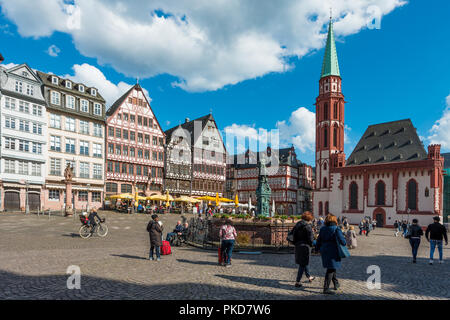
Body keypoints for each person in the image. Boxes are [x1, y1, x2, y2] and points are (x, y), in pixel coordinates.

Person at [316, 214, 346, 294]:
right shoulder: (336, 229)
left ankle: (336, 283)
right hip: (333, 251)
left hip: (325, 250)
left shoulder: (323, 229)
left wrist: (317, 249)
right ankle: (326, 288)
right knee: (331, 269)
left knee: (332, 267)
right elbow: (343, 242)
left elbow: (319, 240)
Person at [292, 212, 316, 288]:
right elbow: (310, 239)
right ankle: (297, 281)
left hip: (298, 245)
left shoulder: (297, 224)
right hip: (305, 247)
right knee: (303, 264)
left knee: (304, 262)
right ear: (309, 218)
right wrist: (314, 244)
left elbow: (293, 236)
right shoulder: (307, 226)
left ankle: (309, 277)